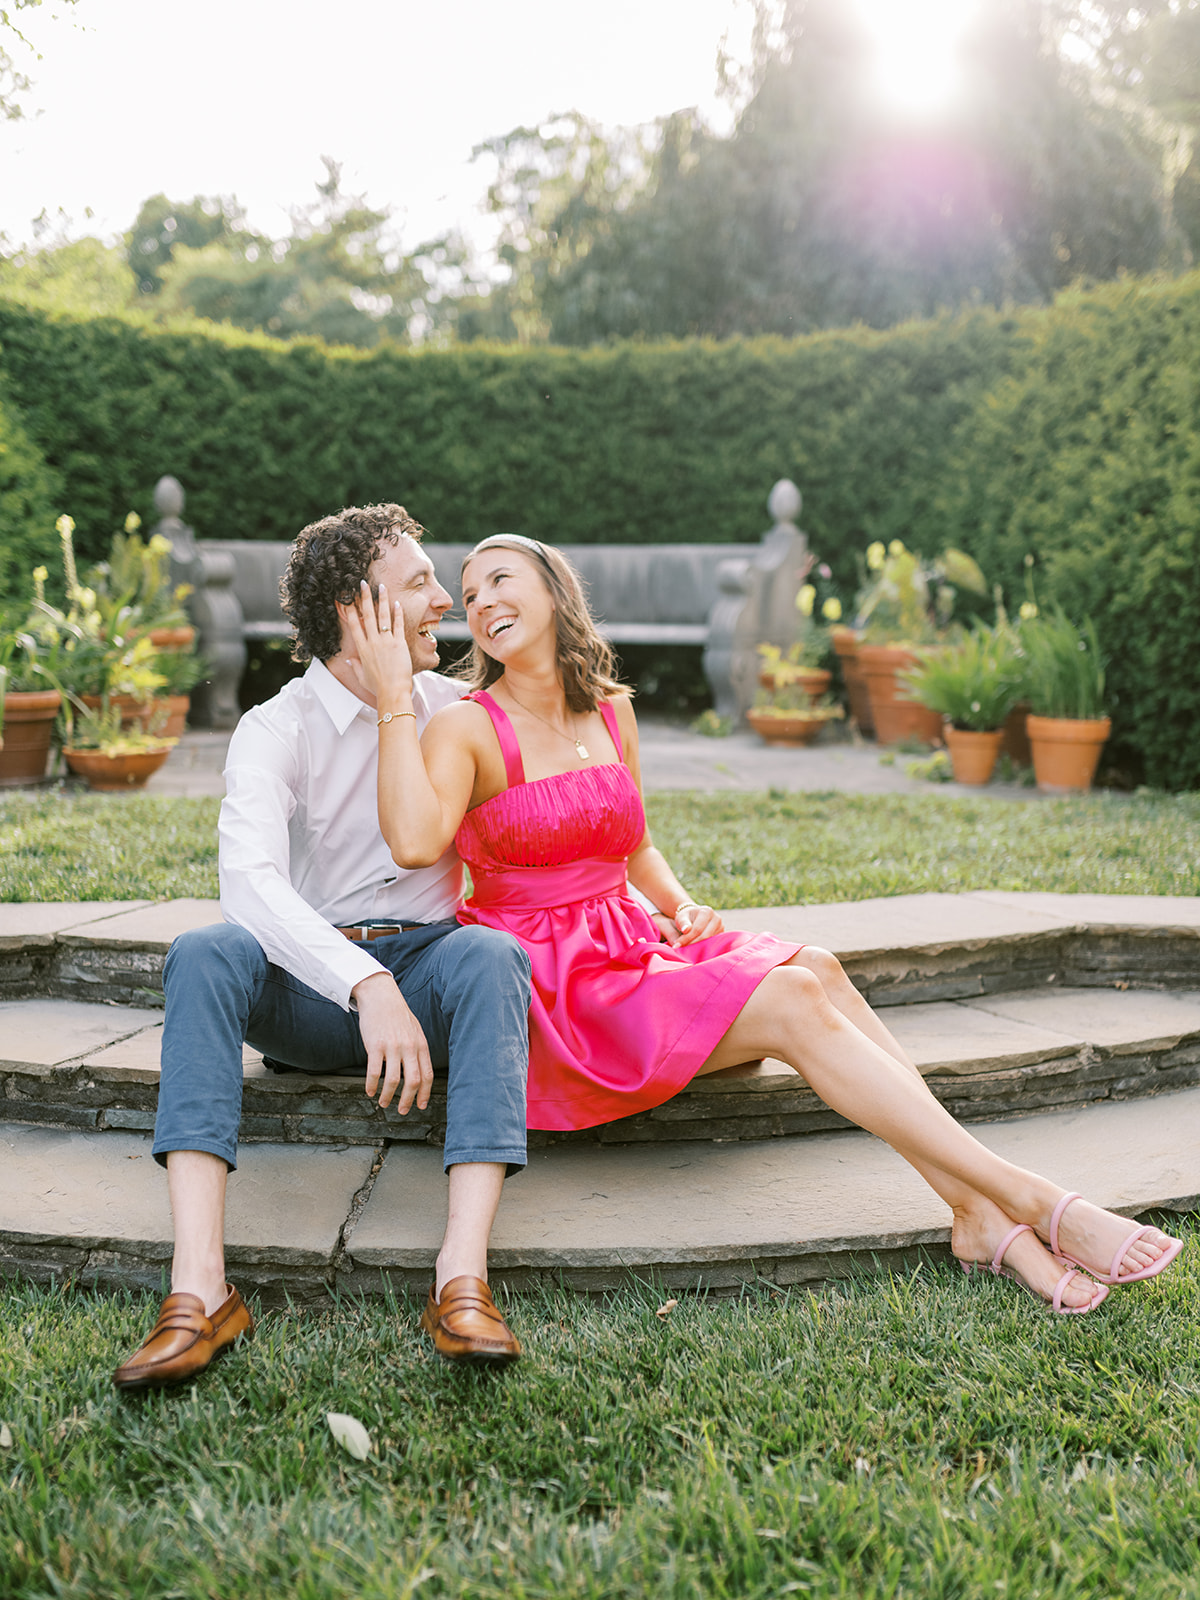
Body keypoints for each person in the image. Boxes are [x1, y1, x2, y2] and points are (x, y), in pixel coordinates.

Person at [343, 532, 1184, 1316]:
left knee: (818, 966)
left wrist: (679, 904)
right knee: (789, 996)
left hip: (628, 944)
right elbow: (415, 842)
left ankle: (977, 1215)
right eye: (468, 594)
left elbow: (635, 844)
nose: (481, 601)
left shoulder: (609, 712)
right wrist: (393, 700)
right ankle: (1033, 1198)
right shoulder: (466, 726)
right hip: (558, 990)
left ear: (556, 591)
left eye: (500, 578)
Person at [112, 506, 532, 1391]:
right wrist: (364, 984)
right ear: (356, 611)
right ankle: (198, 1288)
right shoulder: (278, 727)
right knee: (205, 951)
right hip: (311, 993)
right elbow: (249, 884)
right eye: (419, 583)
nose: (443, 601)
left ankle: (461, 1279)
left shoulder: (458, 713)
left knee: (493, 958)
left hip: (434, 976)